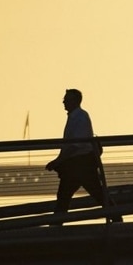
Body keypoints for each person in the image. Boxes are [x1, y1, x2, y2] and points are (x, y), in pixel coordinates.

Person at [44, 89, 120, 223]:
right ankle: (117, 219)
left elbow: (75, 146)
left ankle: (55, 228)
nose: (63, 101)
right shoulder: (77, 117)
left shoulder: (80, 118)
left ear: (75, 101)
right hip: (80, 165)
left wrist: (58, 161)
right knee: (91, 195)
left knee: (67, 196)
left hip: (80, 165)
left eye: (66, 99)